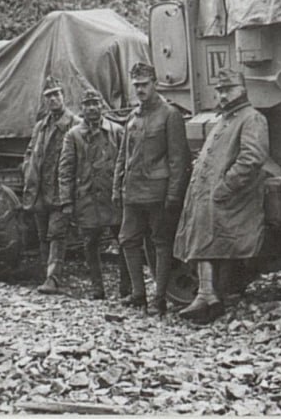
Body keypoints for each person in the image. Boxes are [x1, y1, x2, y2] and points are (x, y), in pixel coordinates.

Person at [174, 68, 270, 324]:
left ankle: (212, 295)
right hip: (211, 197)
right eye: (220, 91)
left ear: (243, 90)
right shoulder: (225, 119)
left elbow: (252, 158)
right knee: (203, 236)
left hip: (233, 198)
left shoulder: (252, 118)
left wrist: (225, 187)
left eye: (229, 90)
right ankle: (207, 295)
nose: (224, 95)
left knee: (217, 238)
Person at [113, 62, 189, 315]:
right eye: (136, 85)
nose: (140, 90)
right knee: (127, 240)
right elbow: (123, 157)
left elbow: (178, 159)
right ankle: (138, 294)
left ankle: (160, 298)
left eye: (144, 84)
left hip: (158, 192)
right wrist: (117, 188)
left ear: (155, 84)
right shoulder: (132, 118)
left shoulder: (170, 115)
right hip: (133, 192)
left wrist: (174, 193)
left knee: (161, 243)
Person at [59, 88, 127, 300]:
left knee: (124, 241)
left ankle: (126, 287)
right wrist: (66, 201)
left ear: (101, 106)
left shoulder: (116, 131)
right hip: (87, 198)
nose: (91, 108)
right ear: (82, 108)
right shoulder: (73, 135)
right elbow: (66, 169)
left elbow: (126, 163)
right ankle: (98, 288)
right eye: (87, 105)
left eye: (95, 103)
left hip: (113, 197)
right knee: (90, 244)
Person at [21, 76, 79, 295]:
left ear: (64, 96)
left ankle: (53, 279)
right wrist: (28, 169)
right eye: (48, 96)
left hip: (60, 189)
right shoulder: (41, 126)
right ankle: (47, 274)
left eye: (56, 94)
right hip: (40, 189)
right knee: (43, 233)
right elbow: (30, 152)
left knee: (56, 234)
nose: (53, 99)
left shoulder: (74, 124)